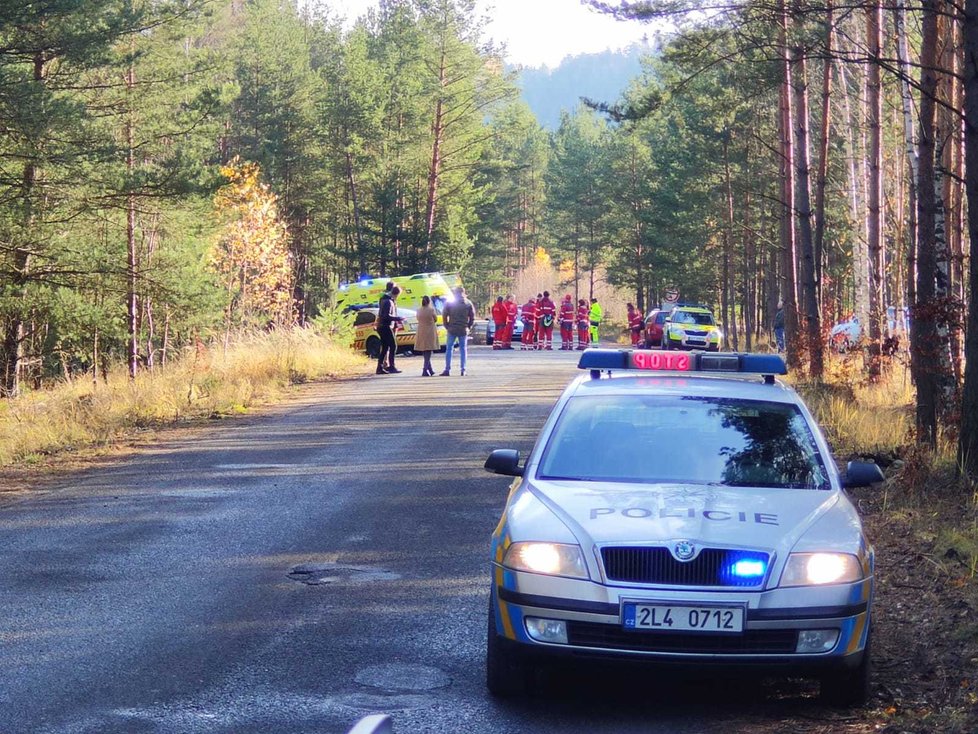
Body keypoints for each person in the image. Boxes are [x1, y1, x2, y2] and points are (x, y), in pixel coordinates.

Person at [441, 286, 475, 376]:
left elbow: (444, 315)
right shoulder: (468, 303)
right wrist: (468, 326)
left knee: (449, 349)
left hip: (451, 328)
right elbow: (472, 317)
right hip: (463, 329)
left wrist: (446, 326)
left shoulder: (450, 303)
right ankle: (463, 370)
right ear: (463, 292)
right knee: (463, 349)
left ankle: (447, 369)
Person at [376, 285, 404, 374]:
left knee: (385, 347)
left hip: (381, 326)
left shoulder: (384, 300)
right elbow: (386, 316)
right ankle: (391, 366)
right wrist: (397, 318)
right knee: (393, 346)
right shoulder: (388, 302)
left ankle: (380, 368)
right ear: (397, 294)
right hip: (385, 326)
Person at [414, 295, 438, 376]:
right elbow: (435, 319)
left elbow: (417, 318)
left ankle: (430, 369)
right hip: (429, 331)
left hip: (421, 331)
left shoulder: (418, 310)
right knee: (429, 350)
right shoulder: (431, 310)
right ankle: (425, 369)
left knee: (425, 350)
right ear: (429, 302)